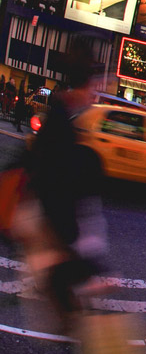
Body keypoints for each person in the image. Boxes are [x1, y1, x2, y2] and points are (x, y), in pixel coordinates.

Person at [16, 42, 106, 331]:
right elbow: (53, 186)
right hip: (50, 230)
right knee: (67, 310)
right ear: (83, 86)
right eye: (95, 86)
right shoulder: (61, 124)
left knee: (67, 311)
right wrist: (75, 251)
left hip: (50, 228)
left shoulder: (64, 117)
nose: (97, 93)